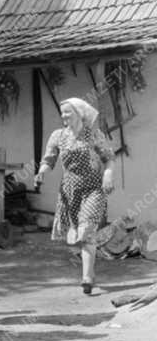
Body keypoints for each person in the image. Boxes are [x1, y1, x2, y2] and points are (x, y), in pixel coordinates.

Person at [34, 98, 115, 295]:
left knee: (87, 229)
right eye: (62, 112)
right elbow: (49, 160)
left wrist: (108, 175)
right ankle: (90, 274)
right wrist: (42, 172)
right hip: (70, 190)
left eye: (68, 112)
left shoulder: (94, 135)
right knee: (76, 235)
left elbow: (109, 159)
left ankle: (87, 277)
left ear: (79, 113)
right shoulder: (58, 136)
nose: (64, 116)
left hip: (94, 188)